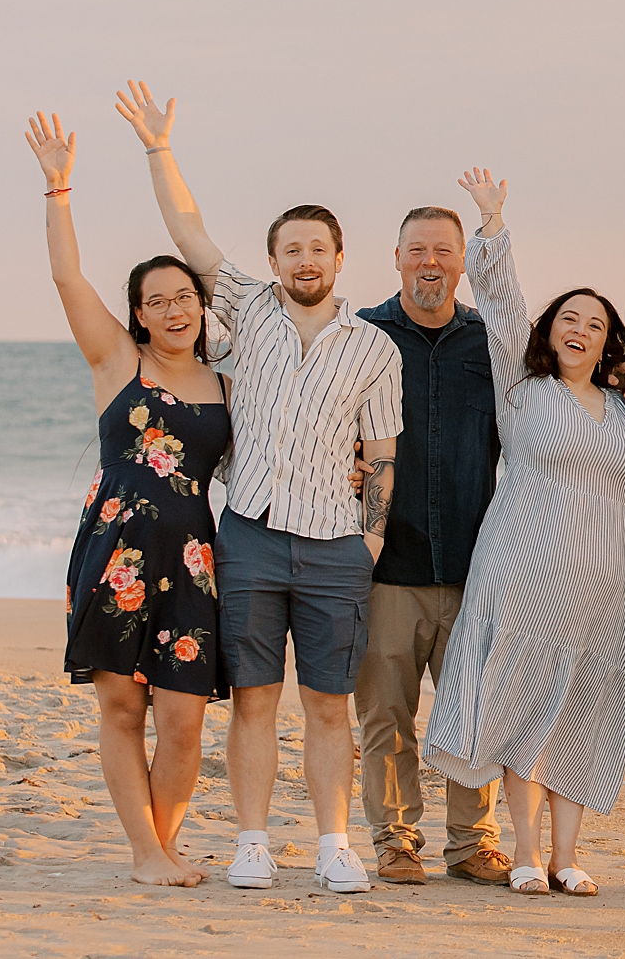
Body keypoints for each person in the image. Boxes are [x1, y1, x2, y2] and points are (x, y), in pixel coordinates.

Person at [117, 82, 400, 896]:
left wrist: (369, 539)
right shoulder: (249, 308)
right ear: (273, 260)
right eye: (292, 250)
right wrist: (158, 147)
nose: (305, 261)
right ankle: (250, 840)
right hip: (246, 533)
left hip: (334, 543)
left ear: (340, 259)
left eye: (319, 248)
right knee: (253, 698)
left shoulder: (375, 349)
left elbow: (380, 452)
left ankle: (334, 842)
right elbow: (188, 231)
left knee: (326, 704)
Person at [420, 168, 625, 898]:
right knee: (527, 705)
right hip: (528, 572)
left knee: (584, 705)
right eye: (569, 319)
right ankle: (523, 849)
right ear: (550, 330)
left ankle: (568, 855)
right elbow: (500, 297)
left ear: (610, 342)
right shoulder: (524, 385)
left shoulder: (623, 409)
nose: (580, 330)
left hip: (609, 586)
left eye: (595, 324)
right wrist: (492, 222)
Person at [27, 111, 228, 889]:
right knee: (122, 709)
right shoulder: (116, 359)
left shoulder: (226, 385)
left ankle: (161, 845)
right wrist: (58, 188)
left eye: (186, 297)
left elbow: (279, 453)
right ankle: (146, 852)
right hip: (117, 552)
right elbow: (66, 278)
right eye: (158, 300)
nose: (175, 310)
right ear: (138, 312)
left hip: (194, 561)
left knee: (184, 717)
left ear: (200, 306)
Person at [350, 206, 512, 886]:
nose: (430, 262)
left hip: (478, 564)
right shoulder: (360, 335)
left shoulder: (492, 343)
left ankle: (472, 842)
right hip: (390, 565)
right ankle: (395, 839)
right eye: (417, 249)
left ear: (463, 260)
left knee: (474, 713)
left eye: (443, 250)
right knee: (387, 711)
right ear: (396, 257)